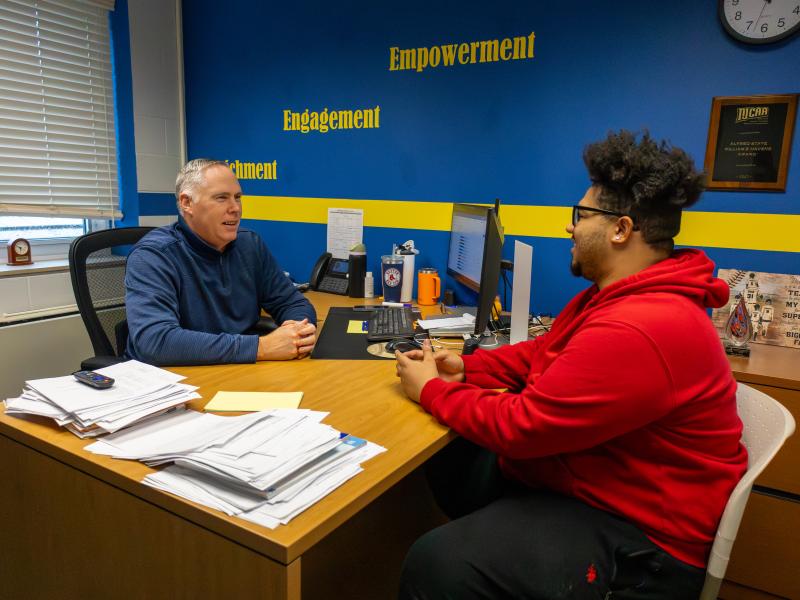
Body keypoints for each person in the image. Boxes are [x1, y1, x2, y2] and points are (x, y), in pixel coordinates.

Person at [395, 131, 748, 599]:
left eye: (581, 216)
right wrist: (467, 369)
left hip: (645, 544)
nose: (570, 228)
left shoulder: (644, 326)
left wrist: (431, 390)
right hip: (602, 484)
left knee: (438, 562)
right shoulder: (618, 297)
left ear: (621, 229)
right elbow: (542, 355)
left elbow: (523, 427)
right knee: (455, 458)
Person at [125, 158, 316, 365]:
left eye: (238, 197)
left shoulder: (249, 245)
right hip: (171, 380)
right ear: (186, 202)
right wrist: (262, 347)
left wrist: (297, 333)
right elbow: (155, 342)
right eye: (221, 198)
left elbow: (292, 302)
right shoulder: (153, 256)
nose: (235, 208)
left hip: (234, 370)